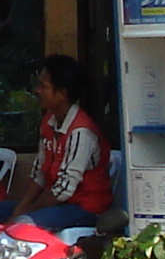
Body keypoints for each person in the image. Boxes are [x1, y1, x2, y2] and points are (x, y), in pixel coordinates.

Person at [13, 54, 112, 239]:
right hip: (56, 205)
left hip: (85, 209)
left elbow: (63, 190)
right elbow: (39, 175)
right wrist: (20, 208)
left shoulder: (81, 132)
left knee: (21, 226)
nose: (37, 91)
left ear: (61, 94)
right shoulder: (48, 122)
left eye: (43, 86)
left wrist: (24, 213)